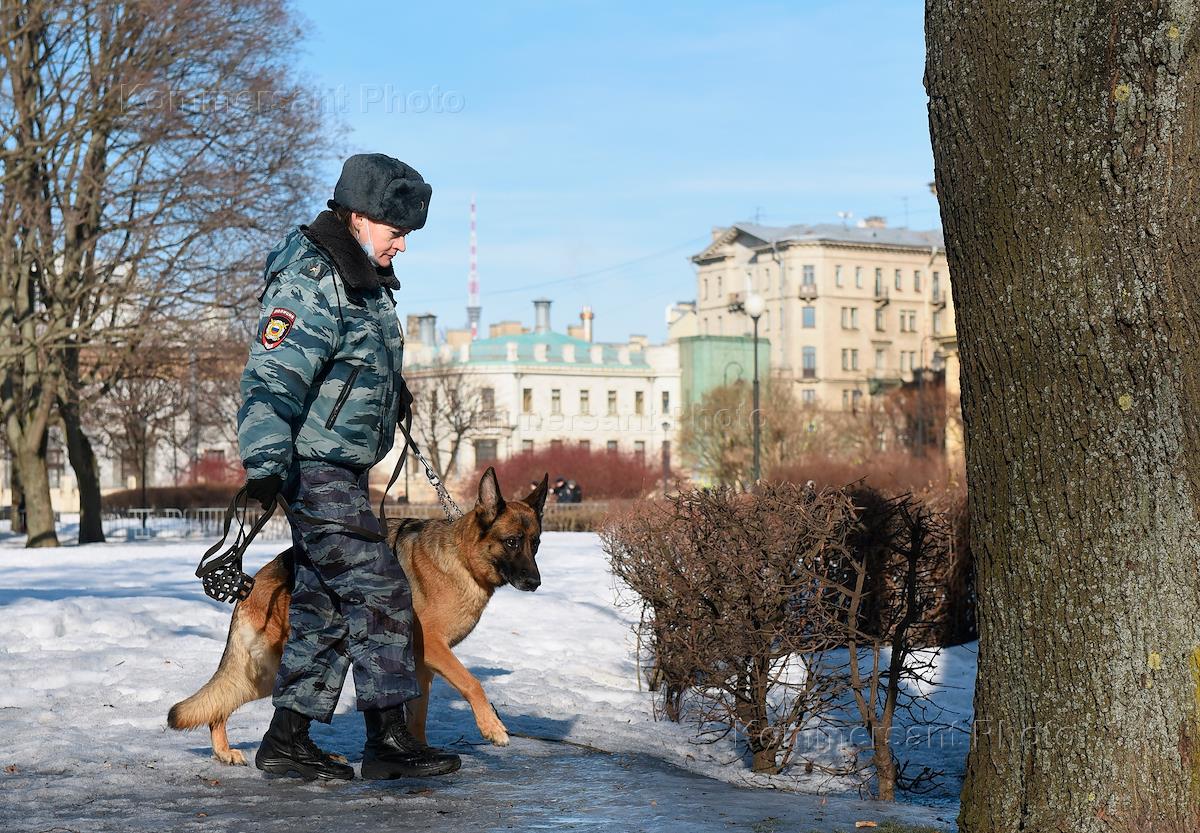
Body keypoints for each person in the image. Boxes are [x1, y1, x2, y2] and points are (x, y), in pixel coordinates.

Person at [237, 153, 459, 782]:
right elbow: (270, 380)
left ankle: (287, 740)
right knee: (381, 588)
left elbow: (351, 363)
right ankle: (388, 739)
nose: (402, 244)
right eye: (396, 230)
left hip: (343, 469)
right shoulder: (313, 280)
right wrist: (264, 464)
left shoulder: (363, 278)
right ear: (358, 216)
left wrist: (391, 393)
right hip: (315, 470)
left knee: (326, 605)